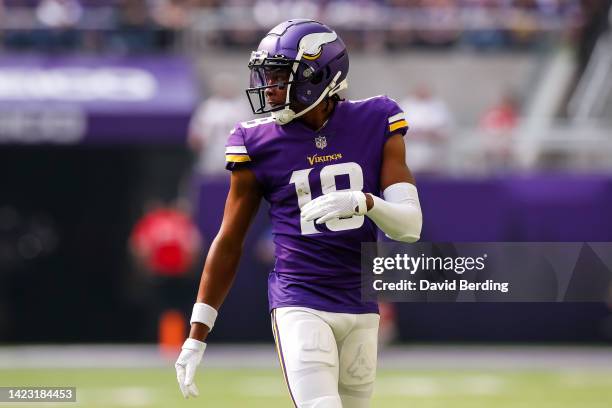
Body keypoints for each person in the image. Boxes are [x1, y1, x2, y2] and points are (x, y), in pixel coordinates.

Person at [175, 19, 423, 407]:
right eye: (266, 76)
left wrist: (364, 202)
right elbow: (229, 240)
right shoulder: (254, 140)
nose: (269, 89)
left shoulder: (376, 119)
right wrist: (197, 332)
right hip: (300, 299)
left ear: (318, 74)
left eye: (278, 77)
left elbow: (410, 227)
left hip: (361, 302)